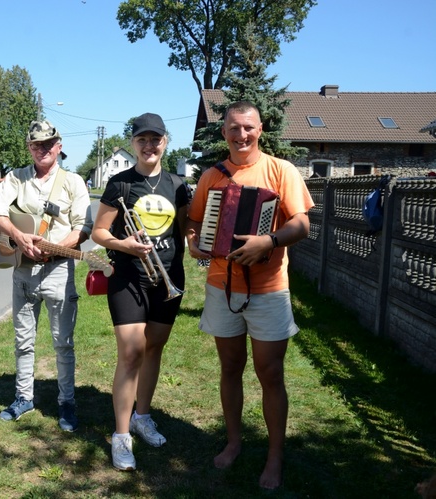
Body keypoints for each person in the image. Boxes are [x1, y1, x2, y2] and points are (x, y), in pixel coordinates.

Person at [185, 100, 314, 489]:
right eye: (234, 128)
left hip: (269, 288)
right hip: (221, 285)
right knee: (229, 368)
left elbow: (302, 223)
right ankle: (234, 441)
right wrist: (194, 242)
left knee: (270, 373)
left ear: (261, 130)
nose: (241, 135)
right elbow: (194, 221)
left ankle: (275, 458)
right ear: (224, 132)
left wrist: (268, 240)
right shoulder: (212, 175)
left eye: (248, 128)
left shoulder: (281, 170)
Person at [91, 113, 190, 471]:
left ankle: (142, 416)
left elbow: (185, 232)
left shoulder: (178, 185)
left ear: (166, 141)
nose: (149, 145)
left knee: (153, 349)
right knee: (131, 353)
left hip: (167, 277)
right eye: (142, 140)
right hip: (129, 276)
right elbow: (99, 232)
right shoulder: (119, 183)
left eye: (156, 139)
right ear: (133, 143)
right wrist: (124, 244)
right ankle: (121, 436)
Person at [0, 119, 92, 432]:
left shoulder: (73, 182)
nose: (42, 150)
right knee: (23, 339)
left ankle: (67, 402)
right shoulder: (16, 177)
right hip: (23, 271)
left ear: (59, 146)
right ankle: (23, 397)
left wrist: (54, 248)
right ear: (29, 148)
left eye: (48, 144)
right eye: (36, 145)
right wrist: (18, 236)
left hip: (58, 270)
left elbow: (82, 228)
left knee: (63, 342)